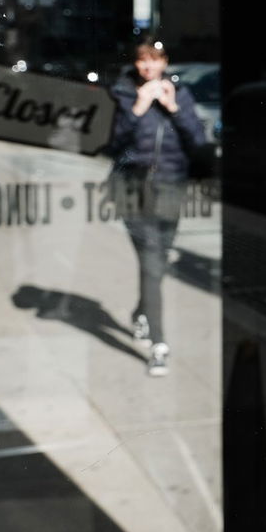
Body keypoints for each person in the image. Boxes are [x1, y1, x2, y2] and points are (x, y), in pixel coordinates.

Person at [108, 38, 206, 376]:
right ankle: (159, 344)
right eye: (142, 61)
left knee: (158, 262)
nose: (148, 67)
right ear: (135, 65)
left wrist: (174, 108)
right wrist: (137, 108)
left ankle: (140, 313)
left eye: (155, 60)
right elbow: (111, 144)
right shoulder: (121, 94)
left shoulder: (182, 94)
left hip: (170, 189)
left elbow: (198, 142)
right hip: (132, 191)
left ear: (164, 62)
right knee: (152, 262)